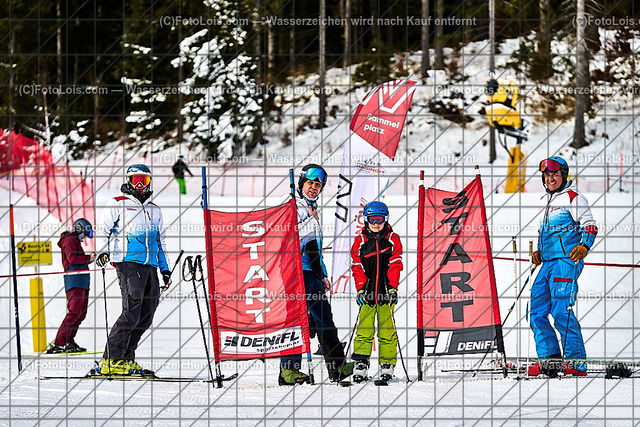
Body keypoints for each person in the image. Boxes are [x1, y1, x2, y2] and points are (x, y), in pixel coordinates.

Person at [279, 164, 354, 385]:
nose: (313, 187)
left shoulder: (312, 207)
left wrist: (323, 274)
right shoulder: (291, 204)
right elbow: (287, 236)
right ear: (302, 183)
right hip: (295, 272)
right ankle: (288, 371)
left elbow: (315, 247)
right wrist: (311, 219)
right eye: (310, 183)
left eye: (318, 185)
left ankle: (337, 367)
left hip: (313, 272)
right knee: (296, 320)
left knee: (324, 318)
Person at [95, 164, 172, 375]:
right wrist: (102, 252)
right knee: (131, 312)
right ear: (128, 181)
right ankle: (111, 360)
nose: (140, 184)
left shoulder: (154, 209)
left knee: (146, 314)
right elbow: (103, 230)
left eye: (144, 180)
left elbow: (160, 241)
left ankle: (126, 359)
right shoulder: (118, 203)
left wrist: (165, 269)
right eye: (136, 180)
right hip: (128, 263)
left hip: (150, 266)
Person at [527, 156, 597, 377]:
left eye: (555, 175)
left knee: (560, 310)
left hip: (566, 261)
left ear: (563, 176)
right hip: (548, 263)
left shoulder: (573, 197)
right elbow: (546, 232)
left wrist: (584, 246)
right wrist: (540, 251)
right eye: (547, 175)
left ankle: (576, 361)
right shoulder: (545, 200)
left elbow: (590, 225)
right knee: (536, 311)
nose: (550, 179)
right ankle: (551, 358)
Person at [350, 201, 403, 382]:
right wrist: (360, 289)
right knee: (364, 329)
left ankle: (387, 363)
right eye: (372, 219)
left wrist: (392, 287)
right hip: (368, 291)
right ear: (366, 219)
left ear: (385, 219)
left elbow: (395, 264)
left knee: (387, 330)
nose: (375, 223)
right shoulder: (360, 240)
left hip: (385, 291)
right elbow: (357, 266)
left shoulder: (393, 239)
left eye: (379, 219)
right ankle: (361, 363)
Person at [48, 218, 96, 354]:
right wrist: (88, 258)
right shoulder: (69, 240)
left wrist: (88, 259)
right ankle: (60, 342)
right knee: (75, 312)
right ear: (80, 229)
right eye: (85, 234)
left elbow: (76, 259)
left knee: (80, 313)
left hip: (82, 281)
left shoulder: (74, 241)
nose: (84, 238)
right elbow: (72, 258)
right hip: (75, 281)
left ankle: (68, 340)